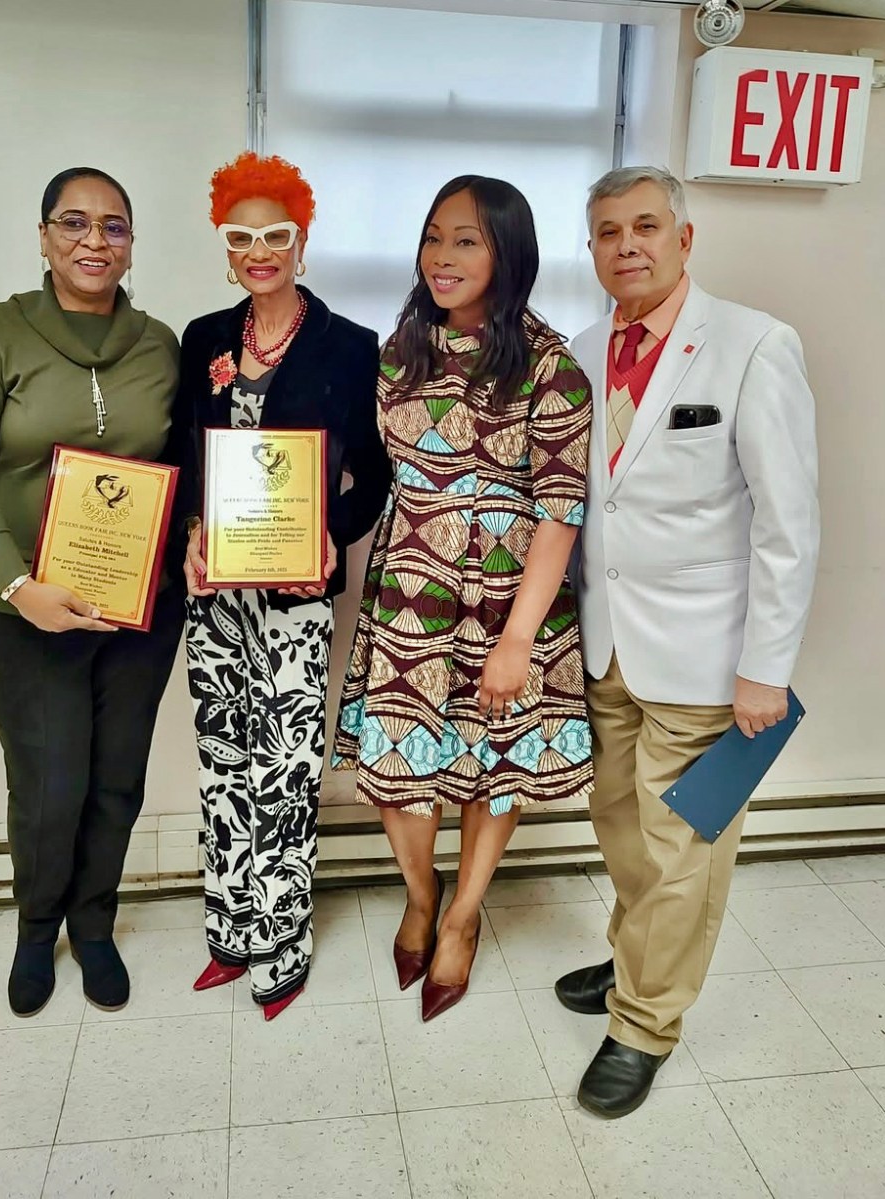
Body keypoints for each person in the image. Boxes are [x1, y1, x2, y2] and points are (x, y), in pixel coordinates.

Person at [556, 166, 820, 1118]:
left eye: (646, 227)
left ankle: (644, 1022)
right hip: (609, 647)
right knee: (622, 828)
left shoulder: (753, 344)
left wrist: (767, 669)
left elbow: (788, 524)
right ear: (591, 250)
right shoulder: (584, 350)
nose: (627, 245)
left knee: (684, 849)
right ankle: (638, 953)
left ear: (684, 237)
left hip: (712, 661)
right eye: (607, 232)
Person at [333, 176, 594, 1022]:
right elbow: (371, 472)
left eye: (467, 242)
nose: (442, 258)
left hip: (510, 602)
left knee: (492, 774)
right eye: (433, 237)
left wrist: (518, 640)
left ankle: (464, 916)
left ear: (508, 253)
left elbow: (561, 513)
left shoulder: (551, 364)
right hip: (410, 594)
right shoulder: (400, 348)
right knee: (397, 774)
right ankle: (421, 890)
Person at [0, 168, 183, 1016]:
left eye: (114, 226)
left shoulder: (160, 343)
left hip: (136, 615)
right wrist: (20, 582)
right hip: (23, 613)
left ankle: (96, 923)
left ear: (131, 243)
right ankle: (38, 930)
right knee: (48, 784)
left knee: (117, 778)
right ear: (43, 236)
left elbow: (175, 470)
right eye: (73, 223)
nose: (93, 241)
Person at [174, 152, 390, 1020]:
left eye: (277, 235)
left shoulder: (351, 347)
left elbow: (374, 476)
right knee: (225, 755)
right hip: (212, 589)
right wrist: (192, 526)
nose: (260, 250)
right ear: (226, 248)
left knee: (286, 766)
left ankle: (284, 942)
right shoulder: (201, 340)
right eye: (243, 237)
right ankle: (230, 930)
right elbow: (180, 456)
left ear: (302, 242)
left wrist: (331, 543)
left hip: (299, 593)